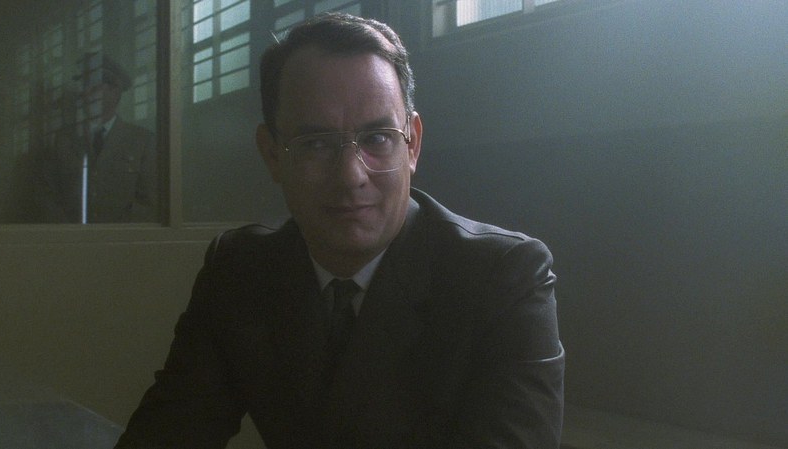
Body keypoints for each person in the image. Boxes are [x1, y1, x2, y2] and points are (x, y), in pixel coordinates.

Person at [115, 12, 564, 449]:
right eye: (315, 143)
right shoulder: (239, 271)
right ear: (271, 155)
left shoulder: (503, 278)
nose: (350, 176)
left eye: (377, 138)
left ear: (412, 145)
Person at [35, 54, 157, 223]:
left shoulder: (142, 141)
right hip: (70, 237)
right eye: (84, 86)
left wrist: (115, 235)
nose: (85, 93)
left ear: (115, 91)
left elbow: (148, 204)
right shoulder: (63, 139)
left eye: (94, 87)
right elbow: (47, 195)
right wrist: (68, 233)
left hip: (121, 238)